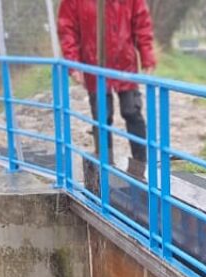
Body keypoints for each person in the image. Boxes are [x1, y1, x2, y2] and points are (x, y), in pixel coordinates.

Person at [58, 0, 157, 175]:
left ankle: (140, 168)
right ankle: (105, 167)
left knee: (132, 112)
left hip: (125, 64)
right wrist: (73, 64)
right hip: (94, 64)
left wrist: (147, 54)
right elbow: (67, 30)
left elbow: (141, 23)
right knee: (102, 115)